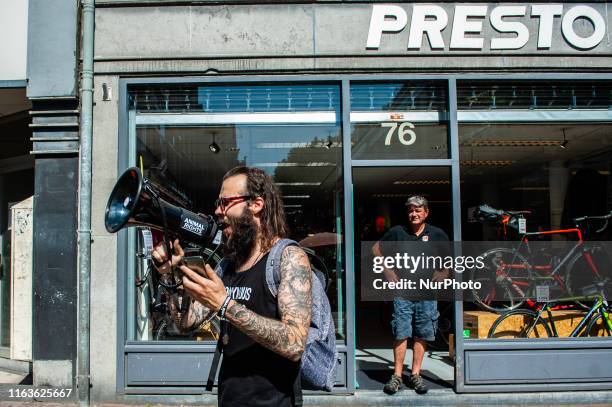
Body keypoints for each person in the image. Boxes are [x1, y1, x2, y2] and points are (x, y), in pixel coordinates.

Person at [151, 166, 312, 407]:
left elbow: (295, 343)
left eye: (225, 202)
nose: (217, 210)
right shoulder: (227, 265)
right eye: (218, 202)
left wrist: (225, 305)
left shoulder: (288, 257)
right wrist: (171, 277)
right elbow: (183, 324)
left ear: (256, 204)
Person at [372, 195, 449, 395]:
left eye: (418, 210)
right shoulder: (398, 232)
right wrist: (388, 271)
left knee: (422, 334)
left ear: (426, 212)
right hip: (403, 293)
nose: (413, 214)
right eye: (410, 210)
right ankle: (397, 376)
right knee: (401, 332)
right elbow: (376, 249)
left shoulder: (437, 234)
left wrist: (443, 272)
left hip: (427, 293)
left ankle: (415, 374)